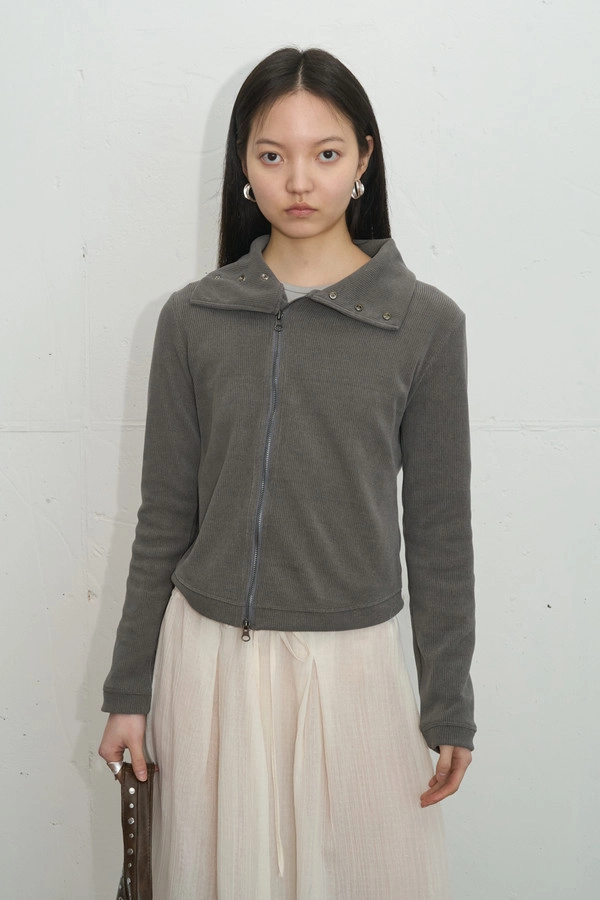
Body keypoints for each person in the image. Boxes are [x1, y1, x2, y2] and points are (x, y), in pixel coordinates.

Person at [99, 45, 476, 899]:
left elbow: (440, 532)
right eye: (272, 155)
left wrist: (448, 699)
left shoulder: (425, 324)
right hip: (209, 668)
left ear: (364, 158)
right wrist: (129, 691)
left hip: (354, 670)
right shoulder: (192, 318)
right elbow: (165, 517)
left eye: (326, 153)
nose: (299, 180)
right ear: (243, 163)